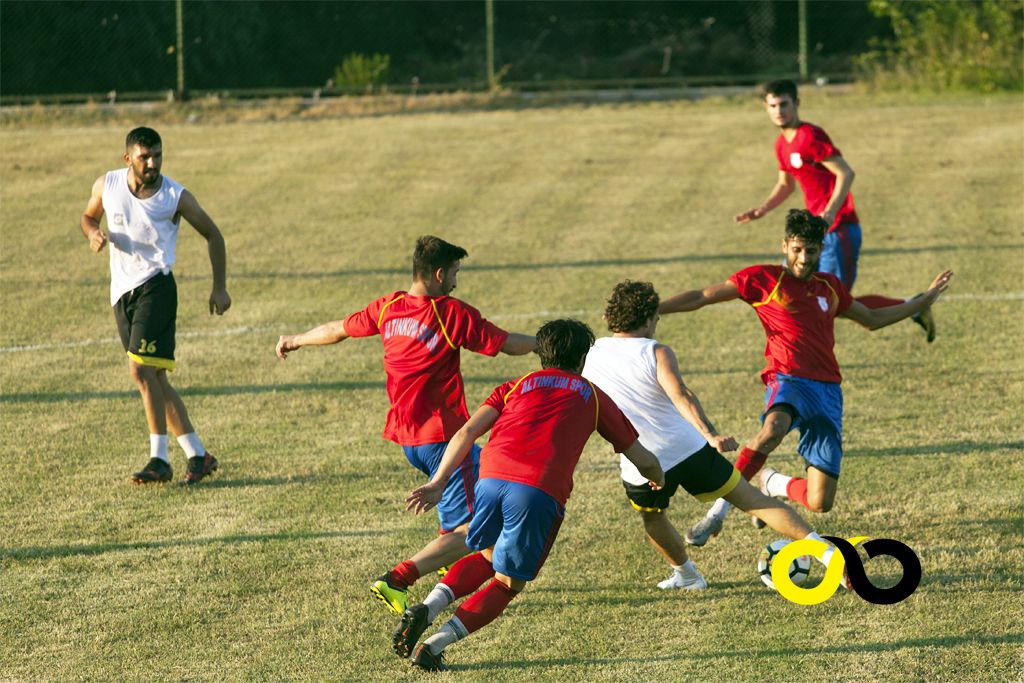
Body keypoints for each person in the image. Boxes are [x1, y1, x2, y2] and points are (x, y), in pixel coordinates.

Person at [275, 235, 537, 615]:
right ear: (439, 273)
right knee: (475, 529)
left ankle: (447, 564)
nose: (456, 284)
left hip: (410, 441)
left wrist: (296, 340)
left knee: (473, 501)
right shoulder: (450, 314)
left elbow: (338, 329)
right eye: (454, 275)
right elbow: (506, 344)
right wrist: (545, 343)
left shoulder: (389, 307)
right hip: (445, 440)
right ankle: (398, 578)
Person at [660, 209, 952, 544]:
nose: (803, 258)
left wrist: (924, 301)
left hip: (828, 391)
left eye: (811, 251)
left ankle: (773, 483)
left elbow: (871, 317)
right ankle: (717, 515)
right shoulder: (763, 279)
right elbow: (701, 297)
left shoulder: (830, 286)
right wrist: (657, 308)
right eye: (797, 249)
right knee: (773, 429)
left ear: (820, 249)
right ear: (785, 245)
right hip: (788, 379)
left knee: (820, 501)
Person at [394, 319, 665, 671]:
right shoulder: (593, 395)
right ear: (583, 357)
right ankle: (433, 645)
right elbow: (640, 456)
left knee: (488, 554)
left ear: (542, 353)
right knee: (508, 584)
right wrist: (657, 476)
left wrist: (439, 481)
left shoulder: (513, 386)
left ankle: (427, 606)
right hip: (536, 490)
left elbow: (466, 432)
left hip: (489, 479)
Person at [582, 280, 842, 590]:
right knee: (753, 501)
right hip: (689, 449)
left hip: (641, 463)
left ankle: (688, 576)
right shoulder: (656, 351)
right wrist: (711, 434)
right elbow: (681, 395)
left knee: (653, 518)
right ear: (649, 317)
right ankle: (829, 555)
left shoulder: (591, 352)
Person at [80, 126, 230, 486]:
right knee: (154, 377)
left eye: (158, 155)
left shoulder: (175, 196)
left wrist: (219, 288)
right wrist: (93, 234)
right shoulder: (108, 184)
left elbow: (214, 234)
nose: (153, 163)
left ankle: (159, 460)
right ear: (128, 158)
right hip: (122, 294)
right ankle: (198, 454)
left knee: (139, 372)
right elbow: (87, 217)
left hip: (157, 288)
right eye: (145, 157)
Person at [734, 78, 938, 342]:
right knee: (792, 288)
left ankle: (914, 306)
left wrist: (830, 212)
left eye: (784, 104)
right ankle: (914, 306)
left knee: (833, 301)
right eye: (773, 105)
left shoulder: (810, 136)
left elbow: (846, 172)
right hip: (812, 234)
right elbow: (785, 184)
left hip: (837, 230)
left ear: (796, 104)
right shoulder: (781, 145)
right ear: (765, 107)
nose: (779, 111)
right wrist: (763, 209)